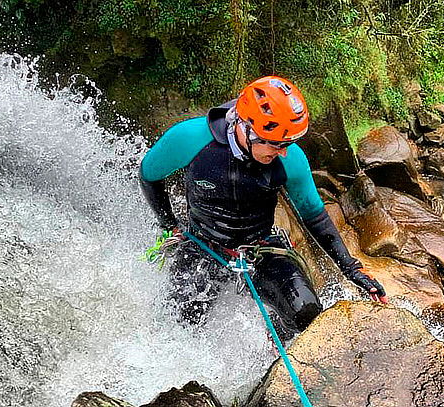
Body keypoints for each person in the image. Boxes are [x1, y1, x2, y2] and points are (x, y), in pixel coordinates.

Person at [139, 76, 387, 334]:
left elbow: (314, 216)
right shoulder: (190, 139)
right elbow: (149, 175)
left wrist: (352, 268)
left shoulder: (290, 160)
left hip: (259, 248)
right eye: (276, 144)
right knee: (178, 327)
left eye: (288, 143)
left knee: (306, 313)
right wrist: (169, 224)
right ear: (248, 129)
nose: (284, 152)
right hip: (202, 243)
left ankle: (274, 350)